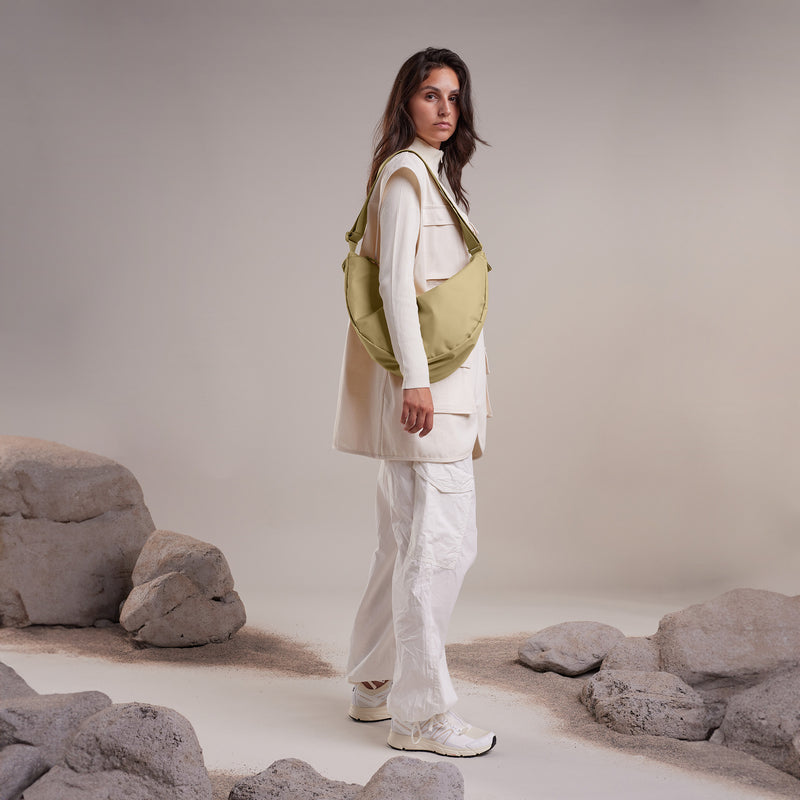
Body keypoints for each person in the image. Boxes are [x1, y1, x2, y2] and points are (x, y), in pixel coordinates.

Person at [333, 47, 494, 758]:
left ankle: (373, 685)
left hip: (437, 392)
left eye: (453, 97)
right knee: (439, 551)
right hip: (430, 399)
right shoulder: (405, 178)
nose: (444, 108)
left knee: (403, 546)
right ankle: (422, 718)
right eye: (430, 95)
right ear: (406, 103)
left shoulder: (433, 178)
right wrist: (417, 380)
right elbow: (394, 286)